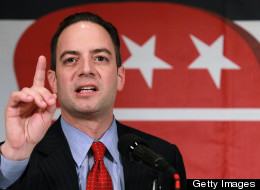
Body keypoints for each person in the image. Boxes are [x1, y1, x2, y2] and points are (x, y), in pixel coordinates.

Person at [0, 12, 187, 190]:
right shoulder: (22, 157)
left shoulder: (163, 157)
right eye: (71, 59)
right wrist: (15, 155)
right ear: (53, 81)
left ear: (119, 77)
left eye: (100, 58)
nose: (86, 69)